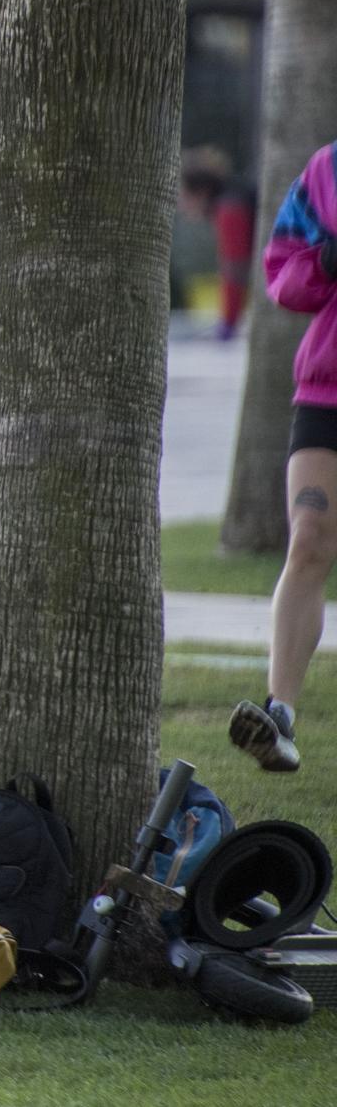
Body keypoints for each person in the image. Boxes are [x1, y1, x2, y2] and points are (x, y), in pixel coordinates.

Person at [237, 139, 337, 773]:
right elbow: (283, 272)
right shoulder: (329, 171)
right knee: (307, 538)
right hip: (328, 389)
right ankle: (279, 717)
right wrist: (327, 258)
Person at [178, 149, 257, 340]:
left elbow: (234, 268)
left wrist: (228, 324)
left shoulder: (230, 209)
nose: (180, 204)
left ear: (201, 192)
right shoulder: (232, 197)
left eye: (184, 195)